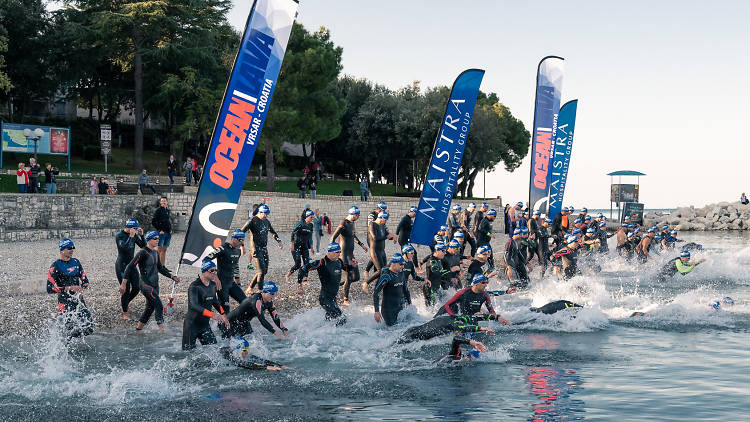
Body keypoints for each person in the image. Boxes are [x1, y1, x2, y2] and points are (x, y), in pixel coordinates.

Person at [123, 230, 180, 331]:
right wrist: (124, 283)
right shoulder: (142, 253)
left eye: (158, 238)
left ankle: (138, 330)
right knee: (158, 305)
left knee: (149, 309)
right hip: (145, 284)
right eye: (155, 238)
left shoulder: (155, 253)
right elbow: (129, 267)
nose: (157, 240)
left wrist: (172, 277)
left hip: (155, 285)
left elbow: (160, 268)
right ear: (149, 240)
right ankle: (162, 331)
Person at [47, 238, 93, 338]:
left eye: (73, 247)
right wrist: (69, 288)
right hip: (64, 302)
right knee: (68, 327)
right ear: (62, 250)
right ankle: (63, 347)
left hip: (78, 300)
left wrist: (81, 289)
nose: (72, 250)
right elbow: (49, 288)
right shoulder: (55, 266)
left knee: (89, 327)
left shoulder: (76, 262)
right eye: (69, 248)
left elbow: (85, 281)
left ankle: (70, 338)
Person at [300, 242, 355, 324]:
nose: (339, 254)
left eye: (340, 252)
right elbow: (304, 268)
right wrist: (301, 283)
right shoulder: (322, 262)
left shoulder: (339, 262)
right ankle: (336, 335)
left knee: (330, 319)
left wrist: (353, 265)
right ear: (330, 252)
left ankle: (323, 333)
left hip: (333, 298)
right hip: (325, 299)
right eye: (337, 252)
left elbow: (347, 268)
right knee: (342, 318)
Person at [182, 260, 230, 350]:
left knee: (215, 351)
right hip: (191, 326)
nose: (215, 273)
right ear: (204, 271)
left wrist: (223, 315)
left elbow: (215, 302)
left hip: (204, 326)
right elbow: (194, 305)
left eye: (216, 270)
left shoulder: (212, 285)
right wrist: (213, 315)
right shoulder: (194, 286)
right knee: (187, 355)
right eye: (212, 270)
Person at [220, 281, 289, 339]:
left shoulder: (269, 302)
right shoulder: (256, 300)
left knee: (249, 343)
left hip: (244, 323)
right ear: (265, 292)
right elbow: (262, 320)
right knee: (228, 347)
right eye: (272, 294)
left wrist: (283, 329)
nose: (274, 296)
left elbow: (275, 317)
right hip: (229, 323)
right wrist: (277, 334)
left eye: (276, 293)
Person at [241, 204, 283, 294]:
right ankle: (260, 291)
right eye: (265, 214)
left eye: (267, 214)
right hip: (255, 248)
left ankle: (250, 288)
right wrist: (242, 245)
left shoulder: (266, 221)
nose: (266, 216)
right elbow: (241, 232)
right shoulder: (252, 221)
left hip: (264, 248)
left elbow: (273, 232)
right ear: (260, 212)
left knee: (264, 271)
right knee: (261, 271)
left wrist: (279, 241)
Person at [331, 206, 368, 304]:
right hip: (344, 256)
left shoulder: (352, 223)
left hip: (351, 255)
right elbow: (333, 237)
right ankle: (345, 299)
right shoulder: (344, 222)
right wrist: (333, 251)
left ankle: (336, 285)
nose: (359, 217)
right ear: (354, 214)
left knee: (356, 277)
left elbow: (353, 235)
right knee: (348, 278)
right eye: (358, 215)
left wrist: (362, 245)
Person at [205, 229, 247, 314]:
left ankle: (239, 324)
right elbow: (206, 259)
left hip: (231, 283)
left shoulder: (238, 251)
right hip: (221, 284)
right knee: (225, 311)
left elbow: (235, 266)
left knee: (246, 303)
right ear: (234, 239)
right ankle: (221, 326)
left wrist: (238, 281)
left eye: (243, 241)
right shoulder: (223, 248)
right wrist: (214, 276)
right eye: (240, 240)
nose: (242, 243)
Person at [397, 313, 502, 344]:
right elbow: (466, 327)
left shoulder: (455, 317)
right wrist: (483, 328)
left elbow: (477, 316)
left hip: (412, 329)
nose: (461, 331)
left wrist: (497, 317)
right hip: (413, 336)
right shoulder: (454, 324)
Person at [435, 273, 504, 318]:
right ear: (476, 283)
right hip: (447, 312)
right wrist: (453, 317)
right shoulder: (463, 293)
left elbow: (492, 312)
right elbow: (447, 305)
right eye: (483, 282)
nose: (486, 285)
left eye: (486, 282)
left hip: (465, 316)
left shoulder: (485, 295)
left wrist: (497, 317)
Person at [116, 218, 145, 319]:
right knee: (126, 289)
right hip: (121, 265)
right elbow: (124, 248)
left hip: (132, 265)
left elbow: (143, 246)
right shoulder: (119, 236)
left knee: (137, 287)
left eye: (136, 228)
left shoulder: (134, 235)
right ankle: (125, 312)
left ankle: (125, 303)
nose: (135, 230)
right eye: (134, 228)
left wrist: (142, 236)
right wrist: (131, 237)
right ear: (128, 227)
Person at [372, 253, 411, 326]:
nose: (403, 267)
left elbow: (406, 290)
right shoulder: (386, 276)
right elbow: (376, 292)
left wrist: (410, 304)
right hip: (388, 311)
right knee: (391, 333)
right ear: (394, 263)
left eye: (403, 264)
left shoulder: (401, 273)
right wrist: (376, 311)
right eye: (401, 264)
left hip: (400, 309)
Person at [363, 211, 398, 291]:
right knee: (380, 270)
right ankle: (366, 283)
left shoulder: (382, 225)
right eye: (385, 220)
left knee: (385, 270)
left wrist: (393, 237)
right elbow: (375, 238)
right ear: (381, 218)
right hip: (374, 251)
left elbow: (386, 235)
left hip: (382, 251)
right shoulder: (372, 225)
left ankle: (377, 289)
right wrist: (387, 237)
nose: (385, 222)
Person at [221, 336, 286, 370]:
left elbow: (257, 359)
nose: (246, 353)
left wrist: (279, 365)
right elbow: (246, 365)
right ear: (239, 350)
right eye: (244, 350)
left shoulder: (238, 350)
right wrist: (266, 367)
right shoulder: (230, 355)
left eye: (246, 350)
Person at [286, 210, 315, 284]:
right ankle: (288, 275)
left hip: (304, 246)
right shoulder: (300, 224)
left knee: (307, 263)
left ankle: (305, 279)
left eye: (313, 217)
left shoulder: (311, 225)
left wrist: (311, 247)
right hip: (296, 246)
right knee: (298, 264)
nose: (312, 218)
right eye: (311, 217)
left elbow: (310, 237)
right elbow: (293, 233)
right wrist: (291, 244)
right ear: (307, 216)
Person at [421, 242, 451, 307]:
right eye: (443, 251)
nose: (445, 253)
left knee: (437, 306)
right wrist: (451, 270)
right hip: (430, 288)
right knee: (431, 308)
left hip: (436, 287)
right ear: (437, 251)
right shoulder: (432, 261)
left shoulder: (439, 260)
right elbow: (437, 273)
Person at [151, 196, 172, 265]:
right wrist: (159, 230)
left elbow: (167, 221)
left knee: (164, 250)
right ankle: (156, 265)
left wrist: (170, 229)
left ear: (167, 202)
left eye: (164, 201)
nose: (163, 202)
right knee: (159, 250)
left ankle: (163, 266)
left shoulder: (167, 211)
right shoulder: (158, 211)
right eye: (162, 201)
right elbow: (153, 222)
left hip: (168, 233)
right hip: (161, 233)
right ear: (160, 202)